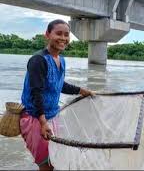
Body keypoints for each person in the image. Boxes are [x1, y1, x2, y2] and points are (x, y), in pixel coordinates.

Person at [20, 19, 94, 170]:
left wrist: (82, 91)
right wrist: (42, 122)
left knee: (54, 160)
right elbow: (36, 92)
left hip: (53, 117)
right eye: (58, 33)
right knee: (46, 165)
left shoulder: (61, 60)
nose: (63, 38)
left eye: (66, 35)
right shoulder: (38, 60)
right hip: (36, 119)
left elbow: (59, 85)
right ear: (47, 35)